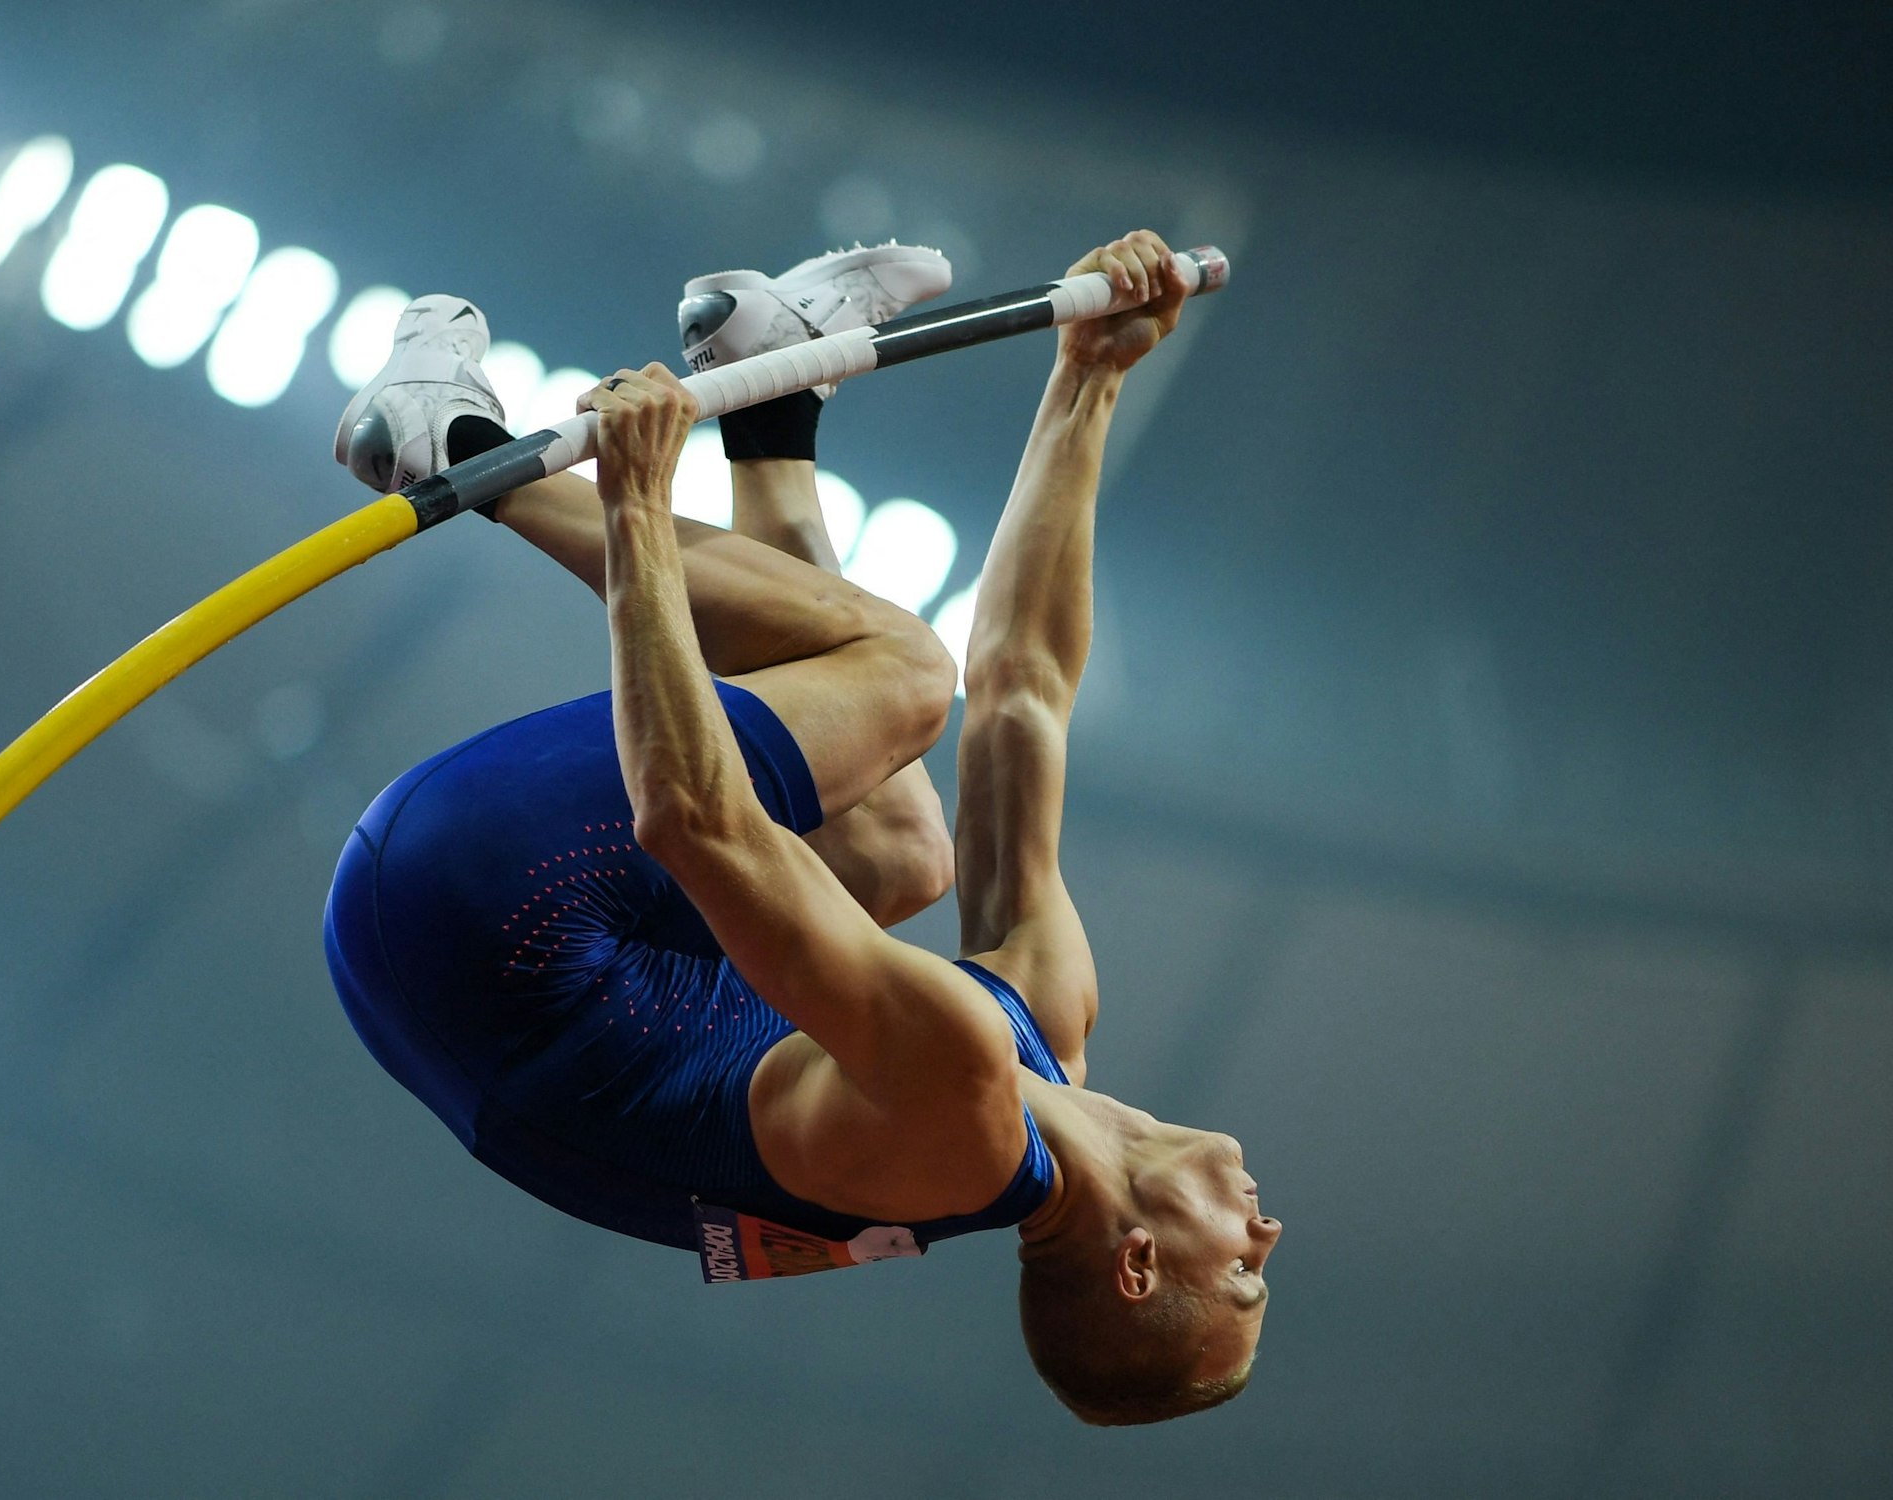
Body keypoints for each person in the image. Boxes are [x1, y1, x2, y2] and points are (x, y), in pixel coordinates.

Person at [324, 231, 1280, 1425]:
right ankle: (768, 393)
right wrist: (1089, 376)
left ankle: (453, 447)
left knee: (899, 671)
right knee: (901, 851)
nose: (1267, 1229)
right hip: (521, 969)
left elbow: (695, 824)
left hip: (471, 920)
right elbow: (1026, 691)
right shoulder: (1042, 1028)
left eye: (1240, 1270)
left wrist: (631, 515)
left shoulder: (950, 1117)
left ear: (1134, 1266)